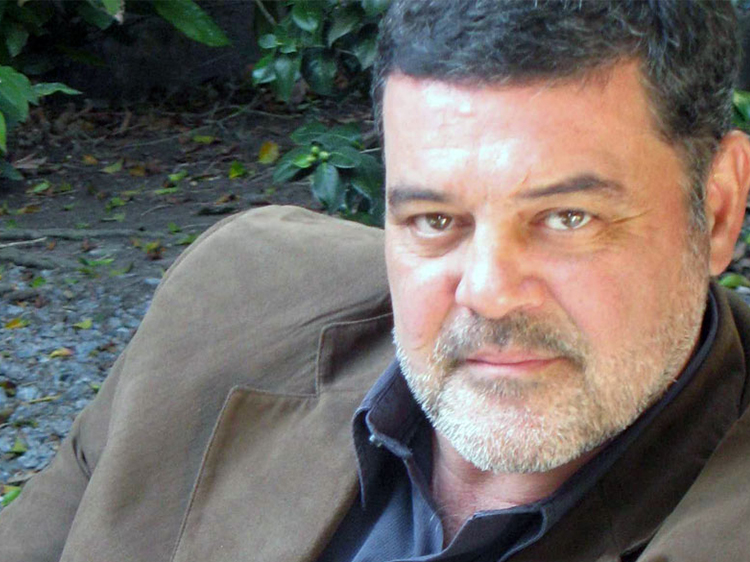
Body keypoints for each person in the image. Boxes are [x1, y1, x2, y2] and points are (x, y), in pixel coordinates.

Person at [2, 0, 750, 560]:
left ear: (716, 211)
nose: (488, 292)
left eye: (567, 218)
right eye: (435, 219)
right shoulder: (231, 303)